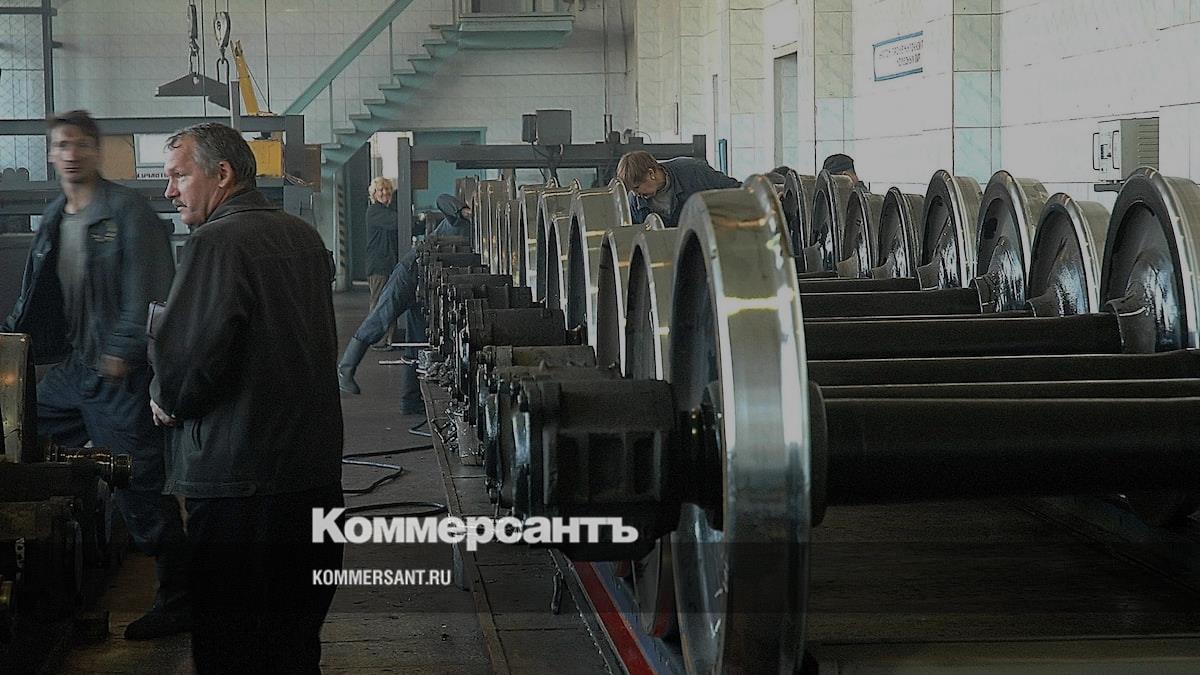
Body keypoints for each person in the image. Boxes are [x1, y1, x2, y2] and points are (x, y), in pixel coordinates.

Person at [148, 122, 343, 672]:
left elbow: (189, 363)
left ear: (223, 173)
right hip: (311, 477)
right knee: (295, 644)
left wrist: (166, 396)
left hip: (239, 488)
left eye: (179, 176)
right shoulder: (303, 236)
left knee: (231, 648)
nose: (170, 191)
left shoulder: (214, 243)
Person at [0, 110, 188, 640]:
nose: (72, 153)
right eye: (62, 144)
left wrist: (123, 352)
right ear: (51, 154)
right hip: (74, 370)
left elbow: (152, 291)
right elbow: (33, 293)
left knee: (140, 488)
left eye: (81, 144)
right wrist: (9, 347)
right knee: (16, 439)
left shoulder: (127, 212)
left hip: (118, 376)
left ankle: (182, 598)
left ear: (96, 151)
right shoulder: (55, 215)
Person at [337, 193, 472, 402]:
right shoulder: (458, 219)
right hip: (410, 272)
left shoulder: (476, 233)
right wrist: (464, 211)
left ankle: (410, 400)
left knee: (417, 342)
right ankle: (345, 369)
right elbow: (442, 199)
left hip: (428, 285)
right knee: (380, 318)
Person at [616, 150, 740, 227]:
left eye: (637, 187)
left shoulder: (693, 172)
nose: (636, 194)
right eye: (632, 190)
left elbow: (737, 191)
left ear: (651, 173)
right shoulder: (635, 203)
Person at [365, 177, 400, 351]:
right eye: (381, 190)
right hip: (379, 265)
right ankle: (376, 338)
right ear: (374, 194)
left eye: (387, 190)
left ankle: (388, 339)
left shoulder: (386, 211)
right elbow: (397, 222)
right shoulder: (375, 211)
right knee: (379, 302)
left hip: (388, 263)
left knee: (389, 302)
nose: (385, 193)